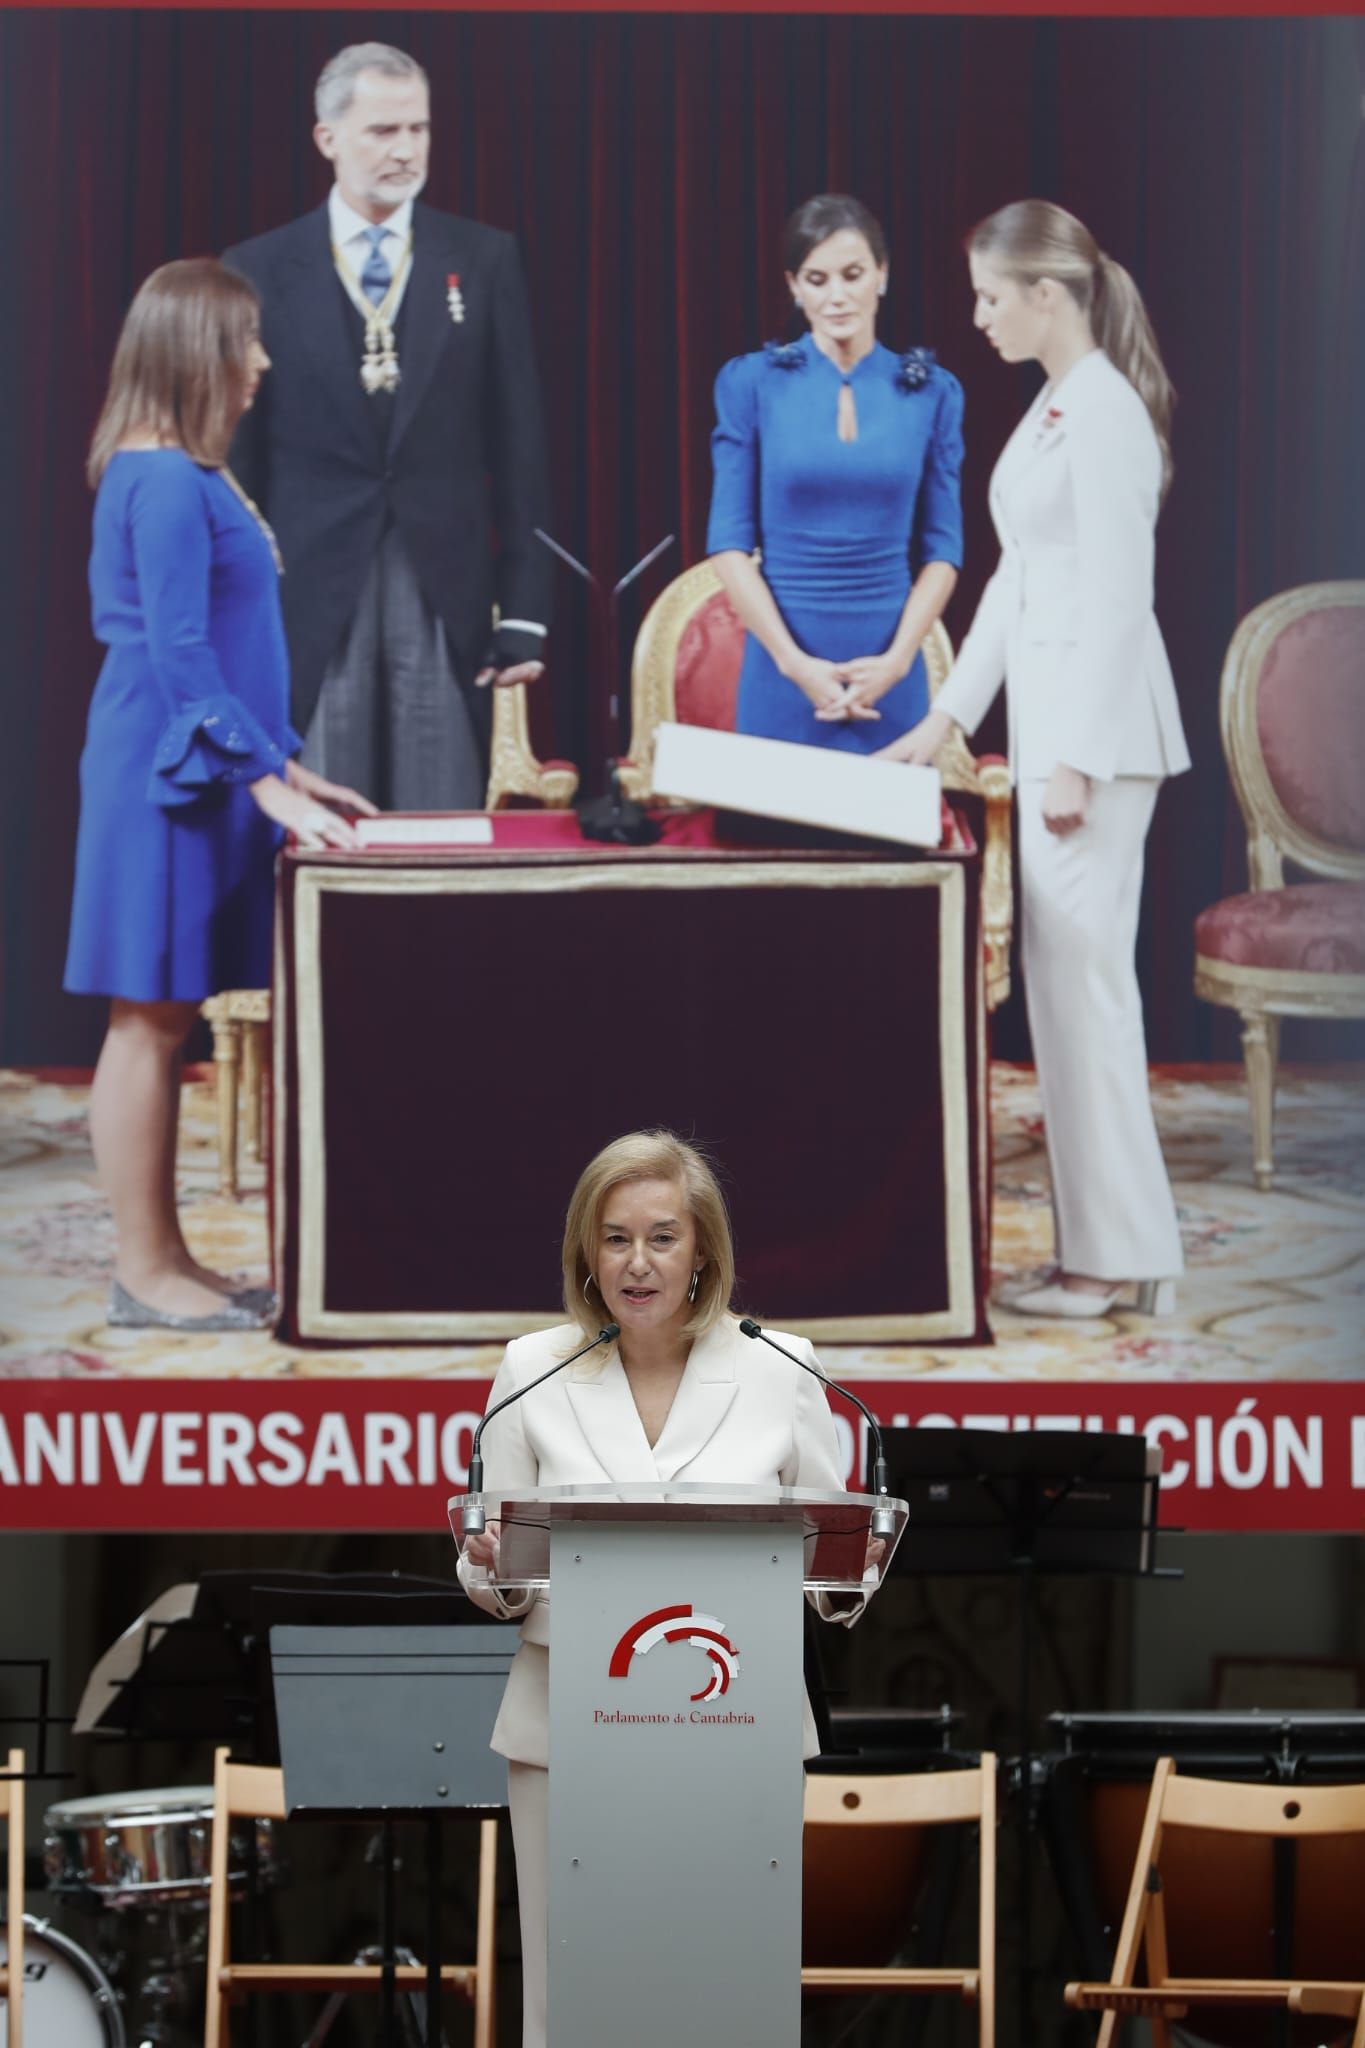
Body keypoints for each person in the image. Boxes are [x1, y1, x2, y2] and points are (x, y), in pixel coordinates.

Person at [457, 1130, 881, 2048]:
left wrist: (854, 1574)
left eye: (661, 1237)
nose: (636, 1263)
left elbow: (828, 1576)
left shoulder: (783, 1367)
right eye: (614, 1238)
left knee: (725, 1990)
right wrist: (490, 1566)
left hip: (734, 1720)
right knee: (571, 1996)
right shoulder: (532, 1368)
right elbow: (494, 1567)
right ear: (585, 1252)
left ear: (703, 1254)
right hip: (564, 1725)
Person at [880, 200, 1190, 1317]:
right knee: (1068, 999)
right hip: (1065, 733)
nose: (977, 316)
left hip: (1096, 749)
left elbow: (1118, 597)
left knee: (1087, 998)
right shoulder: (1062, 406)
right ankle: (1118, 1250)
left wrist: (1079, 764)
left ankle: (1109, 1262)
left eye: (990, 294)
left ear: (1046, 293)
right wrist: (946, 719)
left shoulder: (1101, 413)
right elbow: (1016, 584)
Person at [64, 259, 372, 1332]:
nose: (261, 364)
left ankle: (171, 1263)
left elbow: (232, 658)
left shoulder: (185, 474)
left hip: (199, 772)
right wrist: (262, 783)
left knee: (165, 1015)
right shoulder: (158, 479)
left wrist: (285, 762)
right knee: (145, 1021)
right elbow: (183, 658)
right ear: (199, 353)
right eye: (246, 343)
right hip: (163, 781)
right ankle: (144, 1274)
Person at [223, 42, 554, 814]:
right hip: (304, 584)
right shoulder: (256, 268)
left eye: (418, 129)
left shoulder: (482, 259)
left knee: (438, 815)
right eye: (382, 131)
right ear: (327, 138)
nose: (406, 150)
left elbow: (521, 448)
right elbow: (238, 459)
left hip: (444, 578)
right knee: (322, 816)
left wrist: (528, 610)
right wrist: (237, 610)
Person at [706, 193, 964, 753]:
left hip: (889, 681)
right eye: (817, 280)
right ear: (794, 287)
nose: (837, 296)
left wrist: (896, 663)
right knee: (779, 840)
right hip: (784, 678)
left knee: (890, 838)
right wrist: (794, 664)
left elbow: (943, 551)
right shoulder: (750, 384)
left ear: (882, 274)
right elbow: (727, 543)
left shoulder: (933, 393)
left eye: (853, 274)